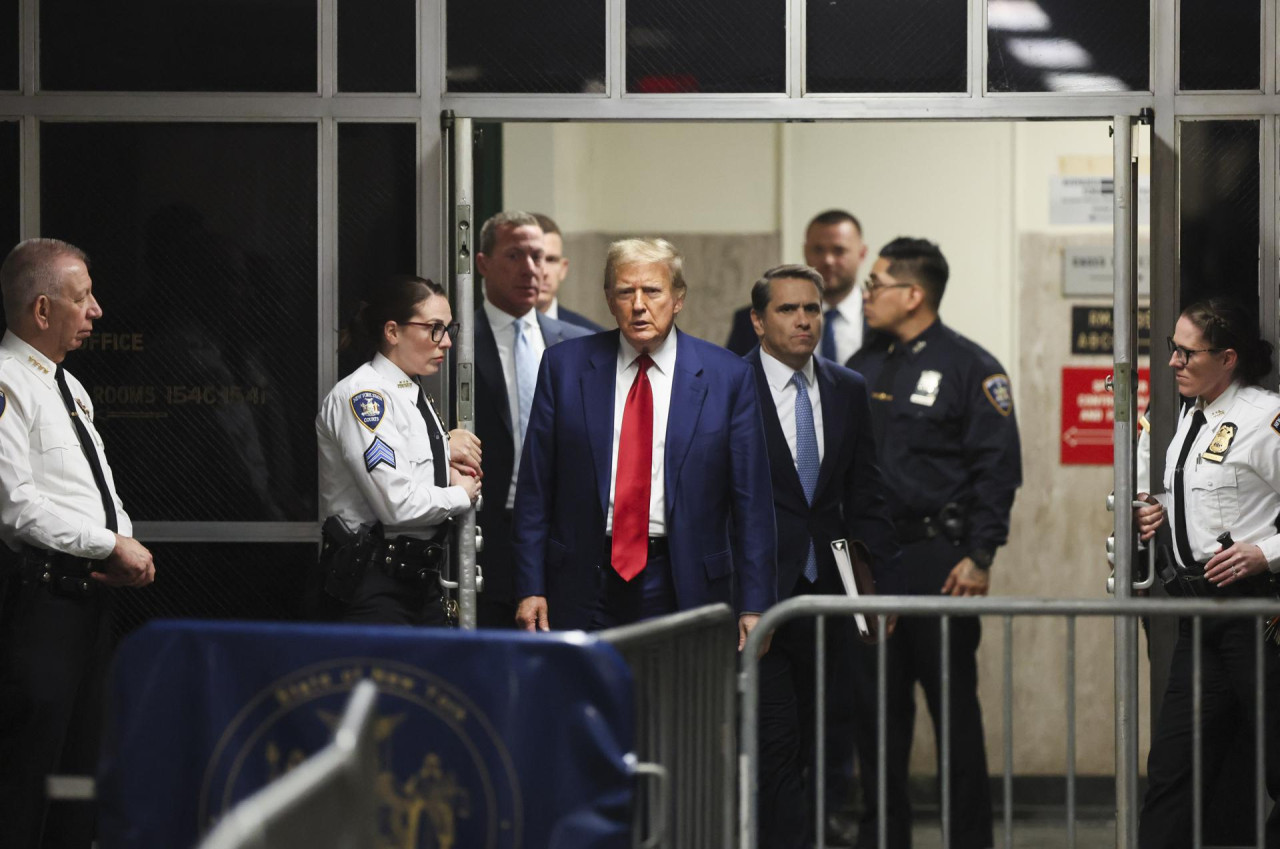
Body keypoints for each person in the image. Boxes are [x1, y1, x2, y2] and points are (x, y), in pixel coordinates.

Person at [512, 237, 776, 639]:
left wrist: (756, 603)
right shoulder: (564, 368)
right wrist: (531, 586)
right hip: (585, 577)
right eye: (625, 292)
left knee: (677, 701)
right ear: (608, 298)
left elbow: (752, 501)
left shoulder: (727, 376)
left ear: (678, 298)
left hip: (684, 579)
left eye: (652, 291)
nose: (638, 305)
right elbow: (535, 488)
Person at [848, 237, 1022, 849]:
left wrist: (980, 556)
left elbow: (998, 471)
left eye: (876, 284)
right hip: (873, 564)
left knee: (953, 715)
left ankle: (967, 841)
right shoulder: (860, 365)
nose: (866, 295)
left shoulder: (971, 367)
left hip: (938, 560)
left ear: (913, 294)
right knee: (877, 719)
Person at [0, 238, 156, 849]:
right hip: (37, 607)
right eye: (82, 297)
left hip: (84, 601)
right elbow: (16, 507)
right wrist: (107, 545)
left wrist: (120, 541)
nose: (96, 311)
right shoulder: (8, 382)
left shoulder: (69, 387)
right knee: (27, 772)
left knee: (77, 769)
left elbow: (93, 488)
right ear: (42, 311)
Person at [744, 264, 902, 849]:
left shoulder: (845, 387)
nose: (804, 319)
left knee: (825, 740)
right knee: (775, 742)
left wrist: (878, 585)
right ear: (759, 320)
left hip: (832, 596)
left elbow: (866, 491)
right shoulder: (729, 385)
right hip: (761, 598)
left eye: (810, 308)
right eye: (787, 309)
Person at [1134, 298, 1280, 848]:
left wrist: (1265, 553)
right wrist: (1157, 509)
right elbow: (1194, 500)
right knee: (1173, 768)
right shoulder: (1186, 416)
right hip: (1201, 620)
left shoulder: (1265, 419)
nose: (1173, 360)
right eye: (1172, 347)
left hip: (1257, 617)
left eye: (1186, 352)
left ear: (1227, 358)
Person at [313, 274, 481, 625]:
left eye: (450, 329)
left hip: (418, 582)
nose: (447, 342)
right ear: (392, 332)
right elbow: (397, 505)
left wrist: (444, 458)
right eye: (434, 328)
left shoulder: (412, 394)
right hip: (374, 584)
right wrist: (459, 494)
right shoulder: (365, 397)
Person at [474, 211, 591, 628]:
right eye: (515, 255)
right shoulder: (456, 342)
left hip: (559, 533)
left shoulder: (580, 343)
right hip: (485, 528)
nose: (531, 269)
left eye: (539, 257)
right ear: (483, 262)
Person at [726, 209, 870, 359]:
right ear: (805, 251)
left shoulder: (886, 319)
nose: (828, 260)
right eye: (818, 250)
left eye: (839, 250)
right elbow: (733, 377)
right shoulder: (757, 319)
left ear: (862, 253)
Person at [533, 213, 604, 332]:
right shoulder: (493, 332)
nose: (543, 271)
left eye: (551, 260)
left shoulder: (593, 338)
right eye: (535, 258)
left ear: (563, 269)